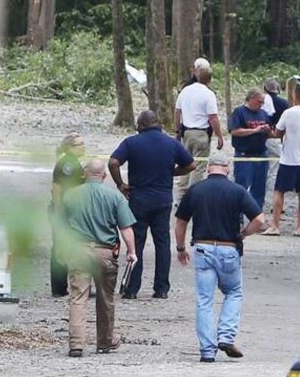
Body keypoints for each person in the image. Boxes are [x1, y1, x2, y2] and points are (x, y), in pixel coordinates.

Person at [174, 152, 266, 363]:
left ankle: (207, 350)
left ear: (208, 168)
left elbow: (180, 222)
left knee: (204, 300)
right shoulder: (237, 191)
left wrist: (180, 248)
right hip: (228, 248)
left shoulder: (195, 190)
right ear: (228, 168)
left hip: (202, 248)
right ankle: (226, 335)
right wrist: (244, 234)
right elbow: (260, 219)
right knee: (233, 292)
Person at [109, 110, 196, 300]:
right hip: (163, 198)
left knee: (136, 243)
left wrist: (120, 185)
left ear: (141, 125)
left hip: (139, 197)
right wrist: (170, 172)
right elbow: (191, 165)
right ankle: (161, 288)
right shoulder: (172, 143)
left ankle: (132, 289)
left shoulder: (131, 142)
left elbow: (114, 162)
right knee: (162, 243)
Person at [62, 160, 137, 358]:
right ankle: (104, 341)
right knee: (106, 299)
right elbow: (126, 228)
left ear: (84, 174)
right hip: (105, 253)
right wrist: (132, 251)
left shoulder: (70, 196)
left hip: (78, 251)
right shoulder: (114, 196)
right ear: (104, 175)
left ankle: (76, 344)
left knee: (78, 298)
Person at [264, 83, 300, 237]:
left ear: (295, 95)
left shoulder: (289, 113)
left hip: (289, 158)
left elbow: (278, 133)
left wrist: (269, 131)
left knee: (279, 191)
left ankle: (275, 225)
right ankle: (299, 227)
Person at [174, 65, 223, 203]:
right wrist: (219, 135)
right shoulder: (208, 94)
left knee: (184, 164)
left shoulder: (185, 91)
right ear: (210, 79)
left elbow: (177, 111)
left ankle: (180, 197)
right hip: (201, 133)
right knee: (198, 167)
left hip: (186, 132)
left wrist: (177, 131)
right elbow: (213, 117)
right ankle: (193, 197)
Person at [50, 133, 85, 297]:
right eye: (79, 144)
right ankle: (59, 287)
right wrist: (59, 212)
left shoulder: (73, 162)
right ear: (70, 148)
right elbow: (57, 188)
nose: (83, 146)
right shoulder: (67, 164)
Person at [229, 88, 272, 213]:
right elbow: (235, 131)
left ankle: (257, 216)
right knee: (241, 187)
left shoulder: (263, 113)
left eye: (263, 102)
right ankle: (237, 217)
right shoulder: (239, 112)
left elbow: (271, 133)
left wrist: (268, 131)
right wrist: (254, 130)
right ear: (251, 98)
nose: (261, 104)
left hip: (261, 154)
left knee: (259, 189)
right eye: (259, 101)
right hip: (244, 155)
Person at [263, 77, 290, 176]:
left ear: (265, 88)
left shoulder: (261, 101)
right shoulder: (284, 103)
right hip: (276, 136)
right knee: (275, 164)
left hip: (261, 135)